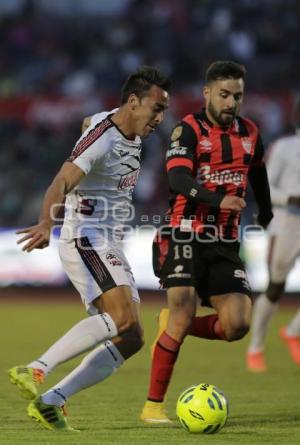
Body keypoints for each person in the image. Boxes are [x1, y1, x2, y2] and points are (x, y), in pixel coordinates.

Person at [9, 66, 170, 431]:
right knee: (123, 319)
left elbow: (88, 121)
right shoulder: (105, 138)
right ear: (133, 101)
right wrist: (47, 222)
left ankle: (52, 401)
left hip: (108, 239)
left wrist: (89, 127)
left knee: (132, 338)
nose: (160, 118)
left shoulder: (117, 128)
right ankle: (35, 369)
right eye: (156, 108)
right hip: (87, 237)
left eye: (164, 110)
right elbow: (62, 180)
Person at [140, 60, 273, 423]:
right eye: (225, 95)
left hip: (225, 241)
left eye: (238, 96)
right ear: (208, 93)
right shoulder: (188, 130)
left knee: (237, 326)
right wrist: (218, 200)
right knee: (184, 310)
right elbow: (179, 179)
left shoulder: (250, 131)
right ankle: (153, 407)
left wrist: (266, 211)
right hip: (183, 231)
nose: (231, 103)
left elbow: (257, 171)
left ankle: (171, 323)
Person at [246, 99, 300, 372]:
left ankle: (293, 330)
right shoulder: (286, 147)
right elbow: (265, 185)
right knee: (276, 286)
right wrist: (291, 196)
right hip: (288, 222)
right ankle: (256, 347)